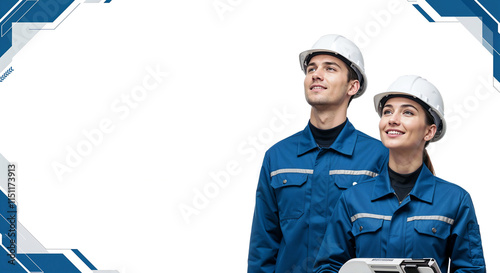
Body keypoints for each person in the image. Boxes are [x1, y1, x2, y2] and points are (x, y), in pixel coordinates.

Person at [313, 75, 486, 273]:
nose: (393, 120)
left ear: (429, 132)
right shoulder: (353, 199)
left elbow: (471, 269)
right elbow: (328, 267)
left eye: (407, 113)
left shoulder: (455, 201)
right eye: (387, 112)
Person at [247, 34, 389, 273]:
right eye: (311, 68)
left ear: (352, 87)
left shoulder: (378, 158)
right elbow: (263, 244)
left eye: (330, 68)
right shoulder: (278, 157)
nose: (316, 74)